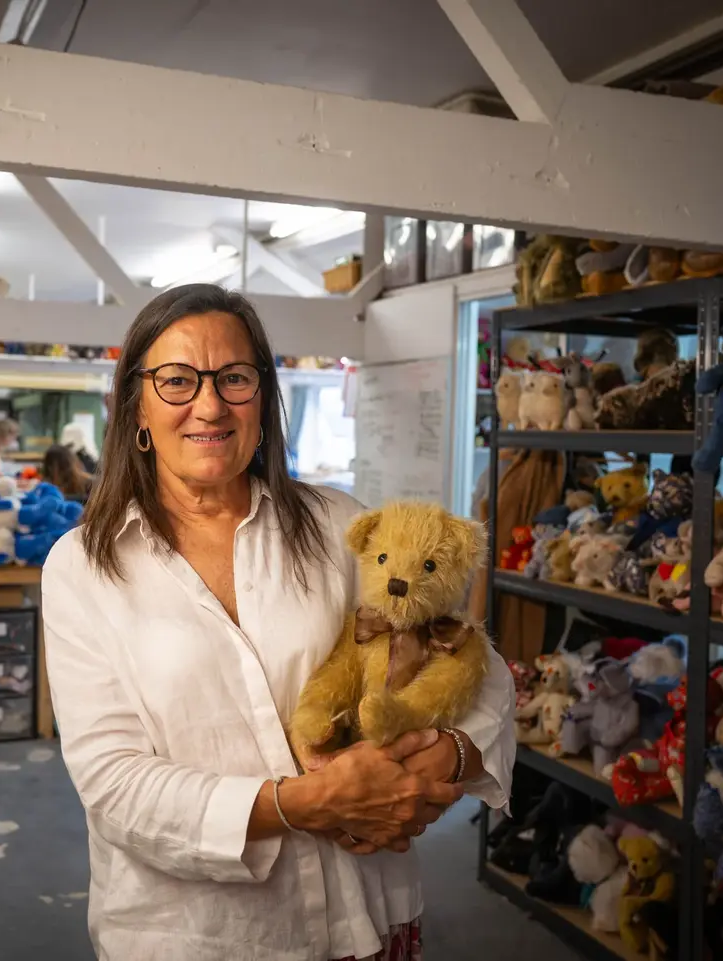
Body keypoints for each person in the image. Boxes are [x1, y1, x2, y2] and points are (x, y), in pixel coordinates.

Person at [42, 284, 515, 961]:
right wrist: (304, 802)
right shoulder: (82, 568)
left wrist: (445, 756)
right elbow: (113, 781)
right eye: (177, 380)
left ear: (262, 398)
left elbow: (478, 667)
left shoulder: (339, 526)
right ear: (136, 406)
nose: (208, 404)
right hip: (197, 935)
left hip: (367, 912)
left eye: (234, 378)